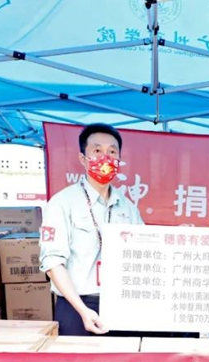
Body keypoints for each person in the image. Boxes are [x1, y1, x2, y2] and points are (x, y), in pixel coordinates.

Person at [39, 123, 144, 335]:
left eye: (112, 152)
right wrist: (83, 310)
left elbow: (143, 253)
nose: (105, 158)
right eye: (97, 151)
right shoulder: (62, 203)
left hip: (120, 306)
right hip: (76, 306)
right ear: (83, 158)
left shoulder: (128, 207)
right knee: (78, 357)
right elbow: (52, 262)